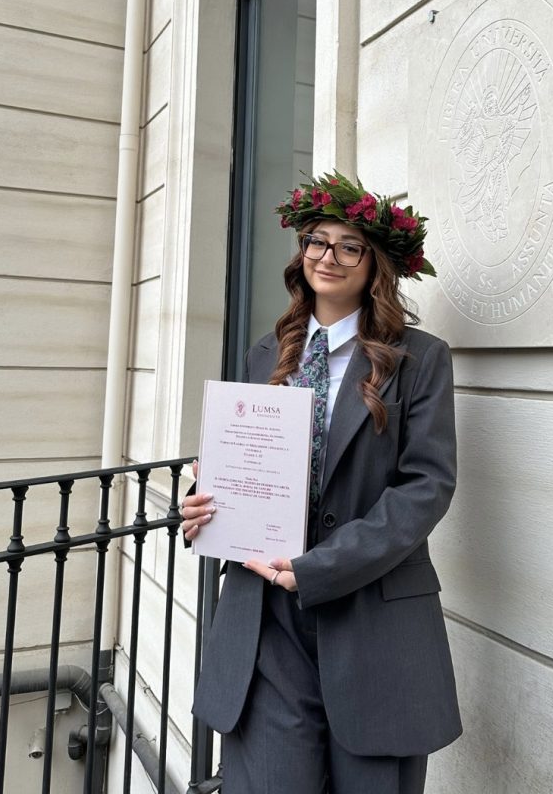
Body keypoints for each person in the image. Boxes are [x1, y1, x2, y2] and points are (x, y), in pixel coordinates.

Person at [181, 172, 461, 794]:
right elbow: (245, 467)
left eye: (348, 245)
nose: (328, 256)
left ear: (376, 265)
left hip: (371, 616)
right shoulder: (266, 354)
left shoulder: (420, 359)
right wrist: (207, 503)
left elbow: (426, 488)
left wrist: (321, 567)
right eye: (316, 241)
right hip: (266, 619)